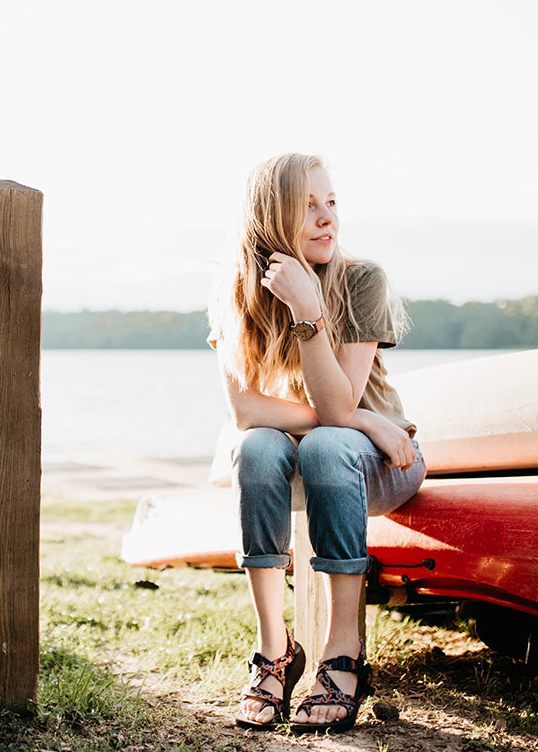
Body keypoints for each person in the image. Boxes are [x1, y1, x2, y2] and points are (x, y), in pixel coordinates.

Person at [208, 152, 425, 733]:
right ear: (268, 216)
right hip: (315, 449)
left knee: (329, 445)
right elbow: (245, 410)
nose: (327, 217)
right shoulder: (237, 292)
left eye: (331, 203)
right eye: (308, 205)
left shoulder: (360, 281)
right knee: (255, 447)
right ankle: (275, 650)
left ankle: (342, 650)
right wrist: (364, 417)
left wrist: (309, 311)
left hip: (381, 463)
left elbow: (336, 411)